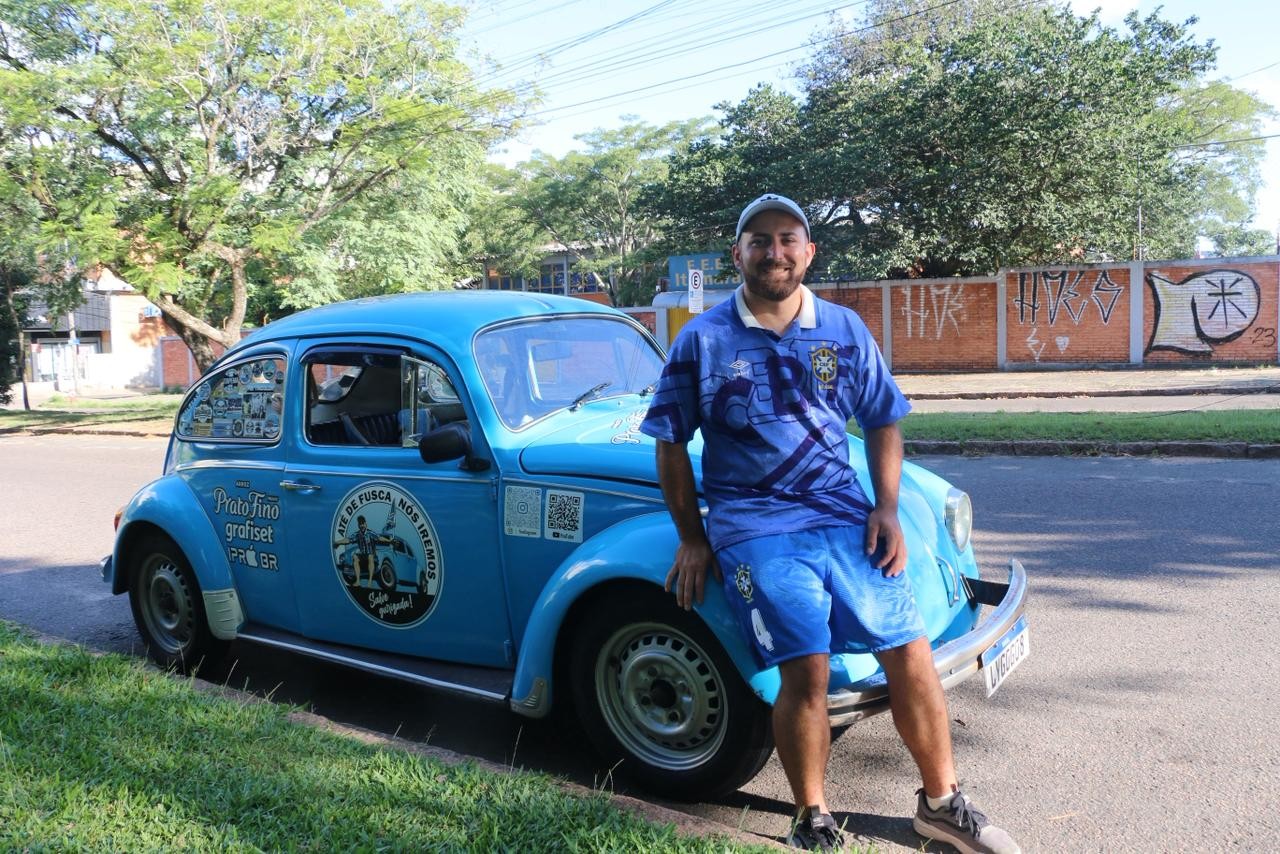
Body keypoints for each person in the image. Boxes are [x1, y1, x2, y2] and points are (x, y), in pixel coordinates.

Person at [639, 194, 1019, 854]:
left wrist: (888, 508)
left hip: (844, 519)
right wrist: (692, 537)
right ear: (738, 254)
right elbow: (670, 441)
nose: (775, 252)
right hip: (755, 527)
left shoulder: (844, 330)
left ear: (809, 252)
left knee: (910, 650)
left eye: (789, 239)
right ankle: (812, 816)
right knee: (806, 669)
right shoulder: (702, 339)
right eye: (759, 240)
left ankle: (941, 804)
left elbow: (882, 421)